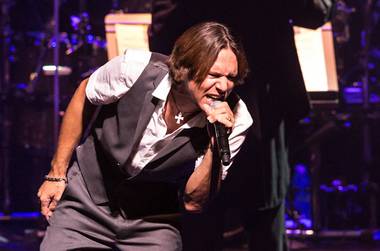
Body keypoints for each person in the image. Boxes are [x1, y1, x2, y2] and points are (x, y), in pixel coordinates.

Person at [37, 21, 252, 250]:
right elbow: (84, 94)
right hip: (87, 202)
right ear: (187, 67)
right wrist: (56, 174)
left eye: (231, 78)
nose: (223, 87)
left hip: (152, 222)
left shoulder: (237, 119)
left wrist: (215, 146)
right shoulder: (135, 68)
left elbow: (194, 203)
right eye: (214, 74)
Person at [149, 1, 334, 250]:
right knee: (206, 218)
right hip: (208, 107)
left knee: (256, 221)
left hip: (259, 106)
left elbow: (317, 12)